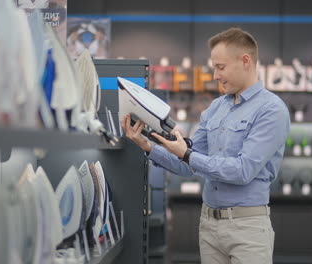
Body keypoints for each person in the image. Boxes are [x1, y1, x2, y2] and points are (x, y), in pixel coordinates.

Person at [121, 27, 290, 264]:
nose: (215, 75)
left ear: (245, 61)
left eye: (220, 67)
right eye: (214, 68)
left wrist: (188, 155)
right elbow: (187, 165)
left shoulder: (271, 110)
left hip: (247, 228)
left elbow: (242, 170)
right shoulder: (215, 108)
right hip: (209, 225)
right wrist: (147, 145)